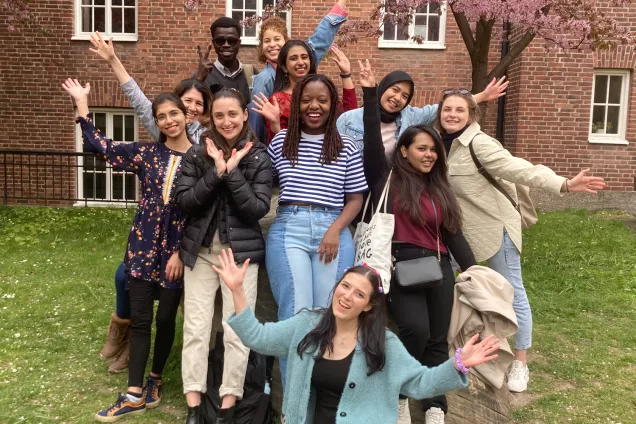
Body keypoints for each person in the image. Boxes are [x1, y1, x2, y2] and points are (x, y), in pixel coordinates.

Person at [437, 88, 606, 394]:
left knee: (512, 292)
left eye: (459, 110)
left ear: (471, 115)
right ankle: (460, 349)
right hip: (461, 230)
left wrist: (563, 184)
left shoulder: (479, 143)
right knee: (445, 285)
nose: (452, 115)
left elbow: (519, 168)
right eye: (447, 109)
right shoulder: (440, 143)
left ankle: (520, 362)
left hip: (496, 226)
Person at [212, 248, 500, 424]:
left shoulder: (384, 345)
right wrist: (237, 290)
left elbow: (420, 383)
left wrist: (458, 365)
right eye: (345, 286)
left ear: (369, 306)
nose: (347, 296)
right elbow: (258, 338)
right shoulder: (307, 325)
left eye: (359, 294)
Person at [63, 78, 191, 422]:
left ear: (186, 115)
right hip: (142, 247)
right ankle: (134, 391)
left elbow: (201, 212)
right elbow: (99, 146)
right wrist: (83, 105)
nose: (169, 120)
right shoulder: (146, 153)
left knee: (165, 320)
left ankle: (155, 379)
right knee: (141, 322)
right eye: (161, 116)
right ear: (157, 122)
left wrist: (181, 252)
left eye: (174, 113)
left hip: (175, 254)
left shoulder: (201, 159)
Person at [358, 60, 477, 424]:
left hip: (439, 267)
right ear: (404, 150)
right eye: (421, 148)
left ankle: (435, 404)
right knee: (416, 330)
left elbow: (453, 233)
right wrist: (367, 94)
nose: (428, 154)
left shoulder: (439, 186)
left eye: (433, 150)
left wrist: (474, 271)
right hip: (400, 266)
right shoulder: (386, 179)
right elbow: (370, 140)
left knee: (438, 340)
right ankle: (398, 391)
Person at [174, 87, 273, 424]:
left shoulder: (259, 156)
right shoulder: (197, 154)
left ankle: (228, 405)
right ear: (211, 118)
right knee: (197, 329)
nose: (227, 121)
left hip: (240, 257)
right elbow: (184, 202)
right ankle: (193, 405)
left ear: (245, 115)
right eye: (219, 115)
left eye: (233, 114)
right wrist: (215, 171)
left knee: (236, 332)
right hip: (201, 253)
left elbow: (257, 209)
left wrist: (231, 173)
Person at [266, 73, 367, 384]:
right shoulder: (282, 141)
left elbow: (355, 198)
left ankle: (322, 400)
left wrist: (335, 230)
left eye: (322, 100)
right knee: (296, 317)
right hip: (289, 231)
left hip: (332, 232)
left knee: (330, 317)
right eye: (307, 99)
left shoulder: (347, 145)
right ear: (296, 105)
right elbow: (262, 182)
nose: (314, 106)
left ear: (332, 105)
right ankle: (294, 407)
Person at [336, 71, 508, 157]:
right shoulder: (349, 119)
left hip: (387, 191)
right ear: (383, 88)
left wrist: (482, 96)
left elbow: (443, 108)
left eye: (405, 96)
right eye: (394, 90)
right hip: (353, 191)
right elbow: (333, 153)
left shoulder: (410, 117)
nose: (397, 98)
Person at [249, 0, 349, 142]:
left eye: (277, 39)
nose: (272, 44)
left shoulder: (302, 60)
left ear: (286, 42)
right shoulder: (264, 79)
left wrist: (340, 6)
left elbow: (320, 39)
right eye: (267, 41)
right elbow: (257, 120)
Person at [89, 31, 212, 143]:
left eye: (199, 104)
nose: (192, 107)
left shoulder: (209, 134)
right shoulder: (163, 126)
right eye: (188, 101)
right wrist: (113, 60)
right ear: (176, 101)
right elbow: (136, 97)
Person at [252, 42, 358, 143]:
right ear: (284, 67)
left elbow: (349, 118)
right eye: (294, 58)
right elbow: (276, 145)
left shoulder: (322, 90)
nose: (301, 62)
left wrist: (346, 74)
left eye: (304, 57)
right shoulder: (277, 100)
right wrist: (275, 124)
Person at [195, 17, 255, 106]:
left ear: (239, 43)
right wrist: (199, 79)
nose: (226, 45)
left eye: (232, 41)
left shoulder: (251, 73)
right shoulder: (202, 76)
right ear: (213, 43)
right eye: (220, 41)